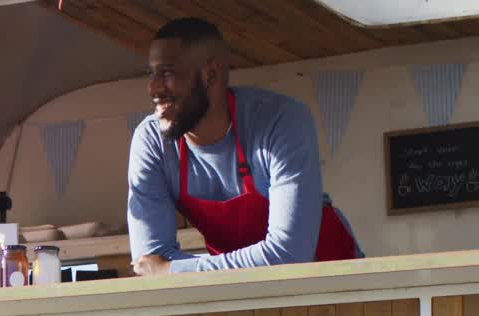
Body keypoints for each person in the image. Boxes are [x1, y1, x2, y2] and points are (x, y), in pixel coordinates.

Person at [127, 17, 360, 276]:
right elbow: (149, 262)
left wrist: (173, 270)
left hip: (333, 287)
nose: (153, 88)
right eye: (151, 73)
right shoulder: (151, 140)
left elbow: (290, 256)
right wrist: (170, 269)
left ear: (211, 74)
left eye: (168, 72)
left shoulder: (281, 119)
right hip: (239, 296)